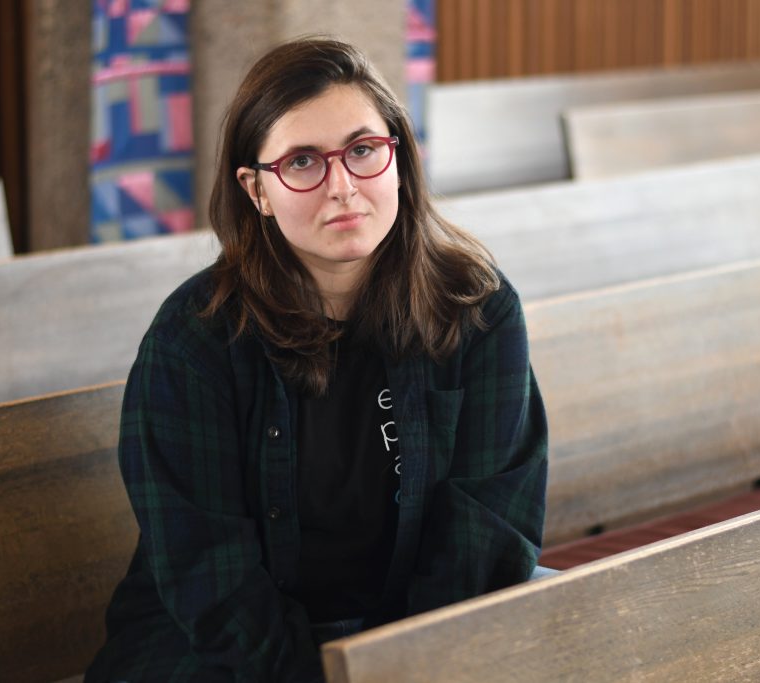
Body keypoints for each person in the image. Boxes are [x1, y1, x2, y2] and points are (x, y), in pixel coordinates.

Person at [86, 36, 547, 683]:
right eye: (303, 161)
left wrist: (415, 665)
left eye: (362, 150)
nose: (343, 187)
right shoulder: (193, 341)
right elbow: (210, 576)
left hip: (413, 630)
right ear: (257, 190)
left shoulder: (478, 309)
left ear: (398, 158)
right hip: (225, 647)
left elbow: (487, 532)